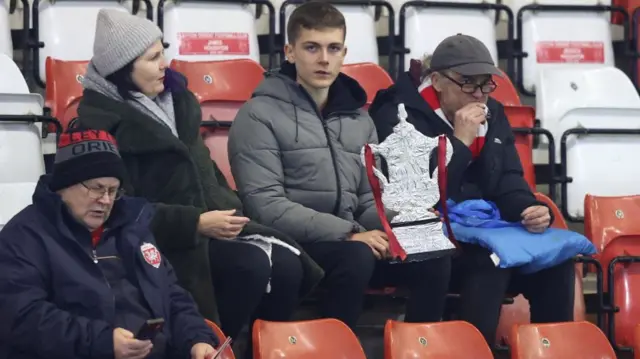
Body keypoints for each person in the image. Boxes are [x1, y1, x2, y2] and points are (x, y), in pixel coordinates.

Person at [74, 9, 324, 346]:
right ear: (123, 68)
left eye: (163, 52)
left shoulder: (176, 104)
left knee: (289, 267)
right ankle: (214, 348)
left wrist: (227, 209)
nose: (166, 64)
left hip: (208, 222)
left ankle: (256, 349)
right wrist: (194, 223)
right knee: (248, 265)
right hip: (154, 239)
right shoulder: (98, 124)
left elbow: (207, 174)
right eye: (153, 58)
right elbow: (114, 209)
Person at [228, 1, 451, 330]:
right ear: (290, 52)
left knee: (430, 243)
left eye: (333, 48)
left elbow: (365, 199)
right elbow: (266, 206)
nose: (324, 59)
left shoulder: (359, 119)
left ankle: (419, 345)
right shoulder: (258, 115)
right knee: (356, 257)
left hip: (350, 236)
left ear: (344, 52)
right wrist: (349, 233)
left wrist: (402, 215)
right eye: (312, 48)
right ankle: (335, 348)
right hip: (293, 241)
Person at [368, 34, 575, 344]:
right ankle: (473, 350)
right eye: (467, 83)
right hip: (420, 232)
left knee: (557, 260)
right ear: (437, 80)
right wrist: (460, 143)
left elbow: (507, 177)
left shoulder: (495, 114)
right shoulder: (399, 116)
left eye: (486, 84)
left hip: (478, 227)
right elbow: (416, 196)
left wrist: (526, 208)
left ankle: (552, 350)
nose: (479, 95)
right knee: (489, 261)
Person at [0, 129, 220, 359]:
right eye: (96, 188)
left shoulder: (133, 229)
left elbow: (172, 297)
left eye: (113, 191)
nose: (105, 200)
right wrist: (103, 342)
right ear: (64, 185)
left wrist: (197, 340)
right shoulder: (25, 236)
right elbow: (22, 317)